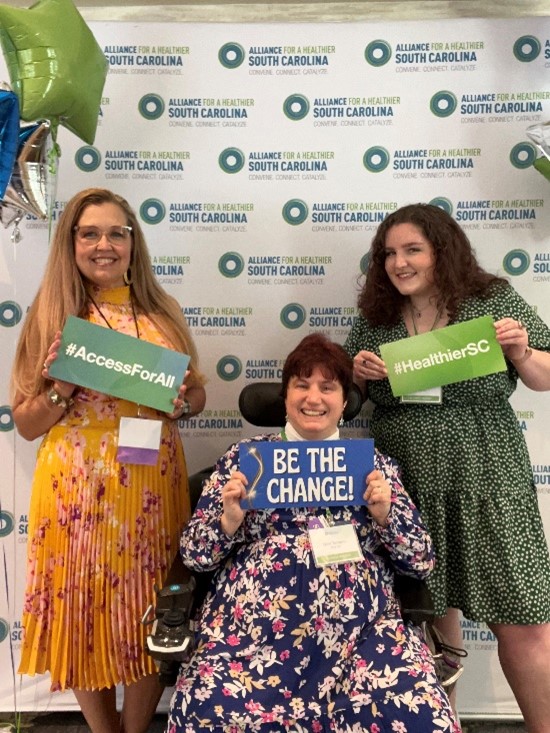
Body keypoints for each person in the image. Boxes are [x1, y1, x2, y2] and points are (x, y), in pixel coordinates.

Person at [167, 333, 458, 732]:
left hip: (362, 633)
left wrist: (387, 515)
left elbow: (421, 561)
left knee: (419, 715)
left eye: (328, 387)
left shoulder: (372, 464)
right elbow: (195, 555)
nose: (313, 398)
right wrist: (228, 520)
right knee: (210, 710)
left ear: (344, 401)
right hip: (252, 633)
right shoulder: (245, 460)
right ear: (285, 396)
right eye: (301, 385)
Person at [344, 202, 550, 731]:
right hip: (408, 477)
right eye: (389, 253)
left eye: (413, 249)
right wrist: (360, 377)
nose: (399, 263)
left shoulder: (491, 300)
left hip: (488, 472)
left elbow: (545, 376)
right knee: (430, 624)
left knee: (525, 621)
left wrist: (523, 352)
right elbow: (347, 401)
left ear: (443, 250)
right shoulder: (375, 318)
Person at [11, 188, 206, 733]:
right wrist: (61, 389)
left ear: (132, 242)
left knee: (149, 611)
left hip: (148, 485)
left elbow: (197, 396)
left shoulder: (160, 310)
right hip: (75, 489)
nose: (105, 244)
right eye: (90, 233)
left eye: (117, 232)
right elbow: (26, 423)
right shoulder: (51, 315)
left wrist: (183, 402)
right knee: (83, 613)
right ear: (71, 242)